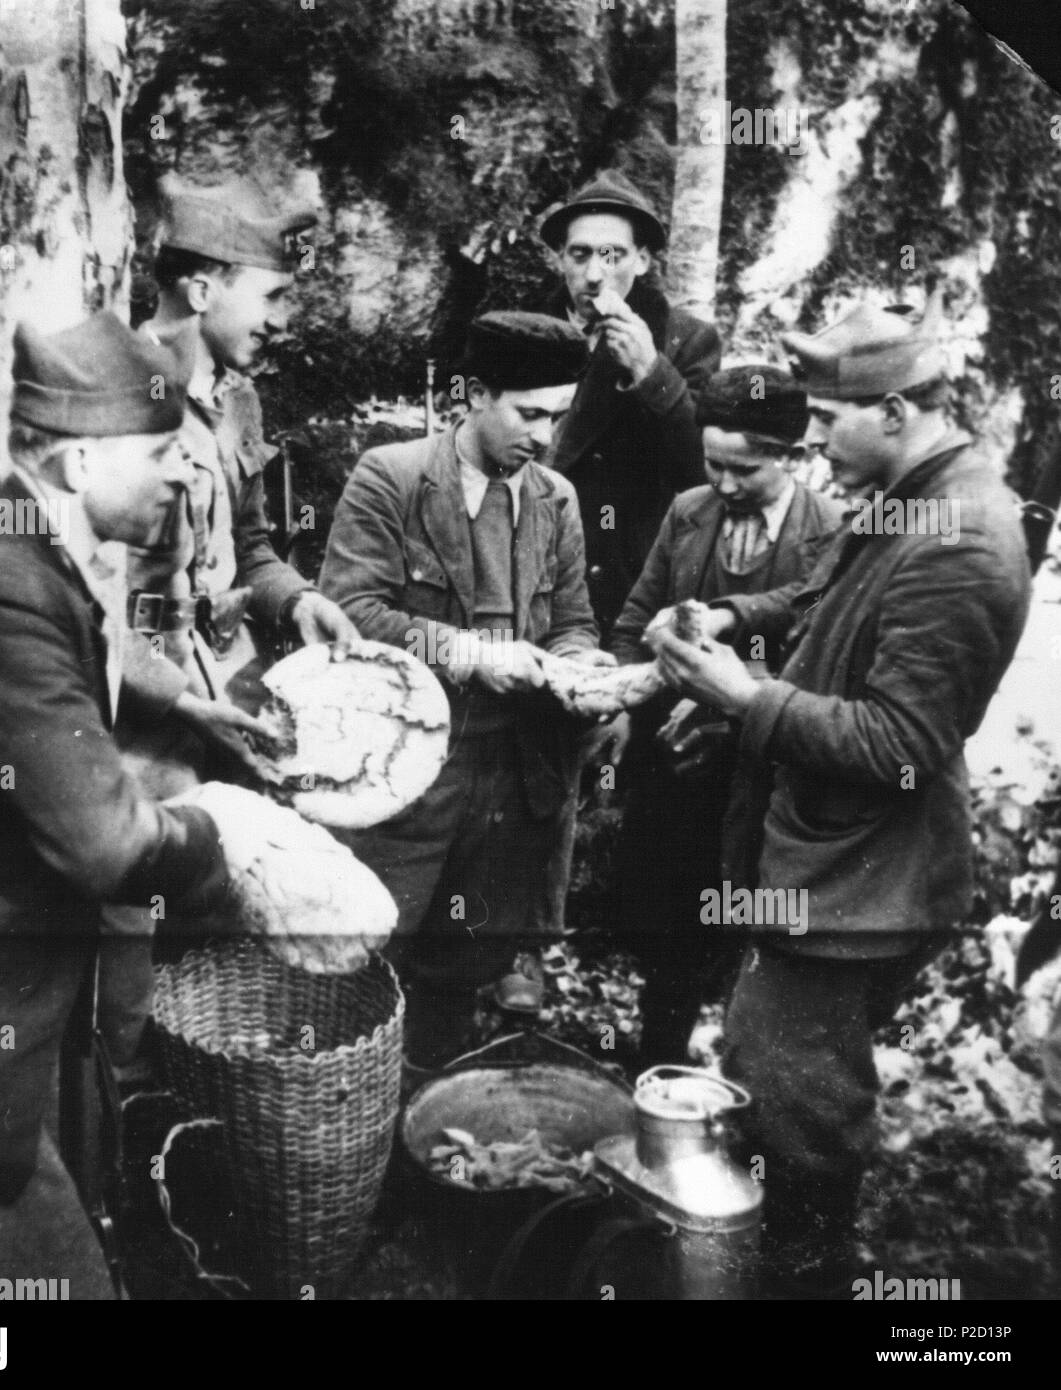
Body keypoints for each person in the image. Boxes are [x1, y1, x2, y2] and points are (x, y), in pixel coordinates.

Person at [0, 311, 240, 1300]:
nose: (183, 474)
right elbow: (103, 845)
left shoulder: (14, 537)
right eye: (160, 451)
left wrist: (184, 708)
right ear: (76, 463)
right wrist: (229, 843)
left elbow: (76, 678)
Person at [650, 300, 1032, 1295]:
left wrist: (742, 697)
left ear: (896, 408)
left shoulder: (961, 541)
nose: (809, 441)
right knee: (770, 1081)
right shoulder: (912, 493)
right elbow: (825, 599)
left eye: (826, 420)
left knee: (798, 1125)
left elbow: (901, 743)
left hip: (856, 892)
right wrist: (735, 618)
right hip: (826, 869)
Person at [319, 311, 609, 1065]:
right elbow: (347, 613)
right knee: (371, 952)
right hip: (410, 771)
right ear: (473, 395)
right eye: (529, 412)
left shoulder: (557, 499)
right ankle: (345, 1130)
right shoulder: (393, 476)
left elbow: (572, 619)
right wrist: (467, 653)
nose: (545, 434)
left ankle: (428, 1104)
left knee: (462, 964)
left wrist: (585, 666)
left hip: (513, 778)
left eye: (559, 414)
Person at [606, 366, 845, 1068]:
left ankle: (734, 1064)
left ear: (792, 458)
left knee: (743, 916)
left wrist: (735, 706)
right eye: (712, 464)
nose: (725, 484)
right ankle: (658, 1057)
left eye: (743, 469)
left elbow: (818, 643)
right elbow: (635, 612)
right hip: (673, 762)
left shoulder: (834, 533)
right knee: (666, 913)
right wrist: (620, 700)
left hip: (765, 769)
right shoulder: (689, 511)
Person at [123, 175, 355, 774]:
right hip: (139, 705)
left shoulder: (240, 400)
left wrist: (298, 602)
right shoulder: (108, 393)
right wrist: (170, 696)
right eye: (272, 296)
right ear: (202, 290)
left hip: (234, 680)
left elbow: (248, 546)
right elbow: (69, 596)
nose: (283, 320)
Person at [537, 170, 722, 637]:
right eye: (579, 254)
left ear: (641, 260)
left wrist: (652, 374)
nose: (594, 275)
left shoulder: (686, 340)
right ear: (560, 258)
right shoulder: (521, 329)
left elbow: (705, 469)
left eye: (612, 255)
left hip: (629, 571)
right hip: (532, 557)